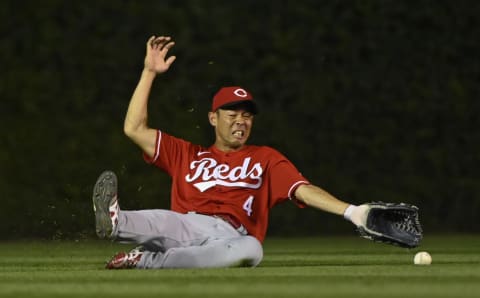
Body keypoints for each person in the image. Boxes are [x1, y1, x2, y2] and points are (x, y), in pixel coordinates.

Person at [92, 35, 367, 269]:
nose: (241, 120)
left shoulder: (265, 158)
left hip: (233, 236)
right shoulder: (187, 154)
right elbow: (134, 128)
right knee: (169, 221)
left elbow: (302, 189)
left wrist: (352, 212)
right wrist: (149, 73)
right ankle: (118, 221)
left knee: (252, 251)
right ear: (213, 118)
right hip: (186, 224)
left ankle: (145, 258)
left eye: (247, 115)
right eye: (232, 113)